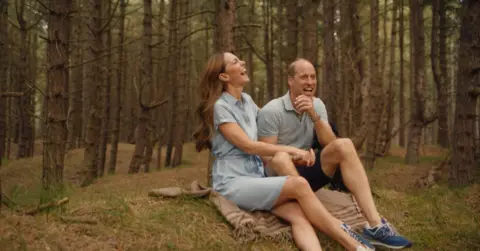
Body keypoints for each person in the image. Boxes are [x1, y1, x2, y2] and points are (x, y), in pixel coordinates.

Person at [193, 52, 377, 251]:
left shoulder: (247, 101)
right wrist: (291, 150)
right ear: (224, 76)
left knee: (299, 215)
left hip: (258, 180)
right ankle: (355, 246)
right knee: (298, 185)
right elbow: (249, 146)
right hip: (233, 183)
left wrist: (299, 155)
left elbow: (267, 134)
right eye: (236, 61)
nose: (243, 62)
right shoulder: (220, 107)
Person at [257, 58, 412, 249]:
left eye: (313, 77)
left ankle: (375, 226)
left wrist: (314, 115)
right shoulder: (272, 111)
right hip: (280, 177)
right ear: (290, 81)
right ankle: (323, 218)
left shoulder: (318, 105)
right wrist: (295, 155)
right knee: (280, 158)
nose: (310, 82)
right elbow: (265, 157)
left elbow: (332, 144)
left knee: (345, 145)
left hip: (306, 171)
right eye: (304, 77)